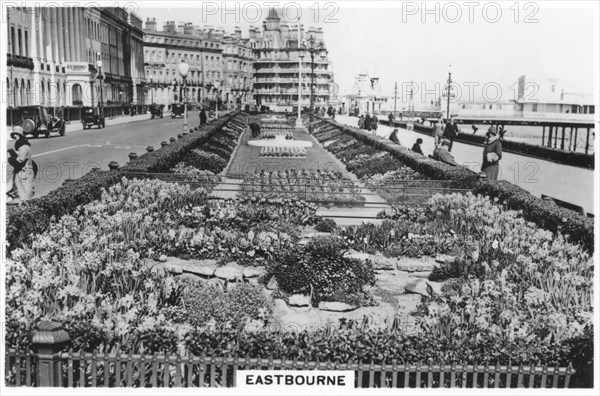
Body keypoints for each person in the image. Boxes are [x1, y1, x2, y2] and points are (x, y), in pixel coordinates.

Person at [7, 127, 36, 202]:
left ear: (19, 134)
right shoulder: (21, 144)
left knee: (25, 195)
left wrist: (11, 159)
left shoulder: (23, 145)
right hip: (22, 171)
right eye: (13, 135)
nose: (14, 136)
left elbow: (20, 160)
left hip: (25, 172)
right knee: (17, 191)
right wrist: (13, 154)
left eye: (16, 134)